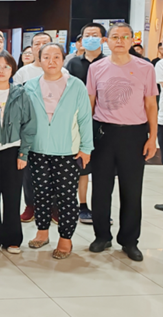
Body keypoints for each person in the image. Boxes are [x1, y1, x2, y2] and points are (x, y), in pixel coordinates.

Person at [87, 23, 158, 262]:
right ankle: (101, 236)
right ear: (107, 41)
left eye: (124, 37)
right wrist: (86, 138)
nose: (119, 41)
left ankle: (129, 240)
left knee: (131, 189)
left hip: (134, 135)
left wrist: (152, 137)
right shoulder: (96, 68)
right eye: (115, 37)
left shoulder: (145, 68)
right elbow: (90, 103)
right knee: (101, 188)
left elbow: (151, 104)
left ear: (131, 40)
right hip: (103, 133)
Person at [24, 43, 93, 259]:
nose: (51, 61)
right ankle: (42, 232)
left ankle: (65, 239)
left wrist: (86, 148)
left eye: (56, 56)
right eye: (46, 57)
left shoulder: (76, 85)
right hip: (38, 149)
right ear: (39, 60)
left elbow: (85, 119)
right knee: (41, 194)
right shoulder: (30, 86)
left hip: (67, 151)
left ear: (63, 59)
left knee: (66, 197)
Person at [0, 51, 36, 254]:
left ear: (12, 70)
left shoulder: (22, 94)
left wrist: (23, 153)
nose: (1, 70)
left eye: (6, 67)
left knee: (12, 196)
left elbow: (29, 125)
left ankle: (13, 239)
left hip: (13, 151)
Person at [14, 32, 67, 224]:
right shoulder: (23, 72)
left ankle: (54, 207)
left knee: (55, 171)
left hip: (56, 130)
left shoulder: (65, 73)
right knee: (29, 171)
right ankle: (31, 205)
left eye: (45, 43)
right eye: (37, 43)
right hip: (31, 130)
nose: (40, 46)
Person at [65, 22, 107, 224]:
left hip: (102, 120)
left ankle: (98, 209)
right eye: (87, 35)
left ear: (103, 39)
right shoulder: (73, 63)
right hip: (77, 119)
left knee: (101, 167)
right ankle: (80, 205)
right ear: (81, 40)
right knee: (81, 164)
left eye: (95, 35)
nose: (91, 38)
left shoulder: (108, 63)